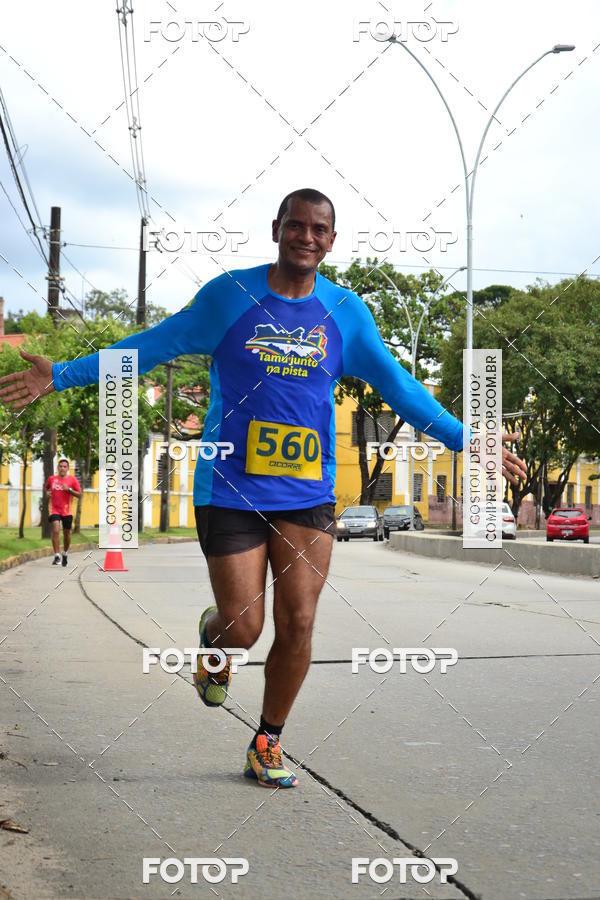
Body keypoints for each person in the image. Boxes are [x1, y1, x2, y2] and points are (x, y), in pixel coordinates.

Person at [0, 188, 527, 788]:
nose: (306, 236)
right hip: (229, 488)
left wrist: (468, 440)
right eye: (296, 225)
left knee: (298, 620)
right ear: (277, 229)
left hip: (306, 494)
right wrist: (63, 375)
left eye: (318, 229)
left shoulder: (347, 314)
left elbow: (400, 387)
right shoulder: (230, 297)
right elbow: (152, 346)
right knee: (243, 627)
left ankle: (267, 741)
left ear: (331, 240)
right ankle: (214, 640)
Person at [45, 458, 82, 566]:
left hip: (67, 511)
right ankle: (57, 555)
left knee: (67, 533)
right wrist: (47, 493)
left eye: (65, 467)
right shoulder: (52, 479)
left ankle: (65, 553)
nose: (62, 468)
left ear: (67, 468)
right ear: (58, 468)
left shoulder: (72, 480)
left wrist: (69, 490)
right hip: (54, 509)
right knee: (56, 530)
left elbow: (80, 495)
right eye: (60, 466)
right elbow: (47, 488)